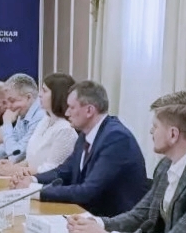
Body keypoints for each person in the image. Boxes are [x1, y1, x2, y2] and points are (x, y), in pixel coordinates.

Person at [67, 91, 186, 233]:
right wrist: (97, 223)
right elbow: (140, 214)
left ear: (173, 134)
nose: (151, 131)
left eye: (155, 126)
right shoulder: (165, 165)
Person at [12, 80, 147, 218]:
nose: (67, 112)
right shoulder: (85, 134)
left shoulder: (116, 138)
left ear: (89, 110)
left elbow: (88, 191)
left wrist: (35, 191)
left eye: (71, 107)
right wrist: (32, 180)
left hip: (112, 221)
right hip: (86, 215)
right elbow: (64, 171)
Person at [0, 73, 77, 177]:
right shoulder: (45, 120)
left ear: (57, 95)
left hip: (45, 184)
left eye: (44, 91)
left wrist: (15, 170)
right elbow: (30, 159)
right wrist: (13, 166)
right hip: (29, 180)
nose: (39, 95)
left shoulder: (65, 129)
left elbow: (52, 169)